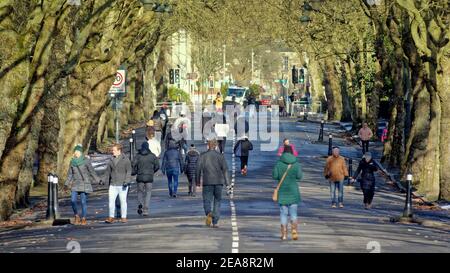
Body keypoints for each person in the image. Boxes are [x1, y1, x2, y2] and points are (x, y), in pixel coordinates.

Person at [196, 139, 231, 228]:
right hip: (219, 182)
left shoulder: (202, 156)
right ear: (215, 146)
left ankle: (209, 212)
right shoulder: (220, 156)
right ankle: (215, 221)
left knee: (207, 200)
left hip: (207, 182)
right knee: (217, 201)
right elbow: (225, 170)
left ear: (208, 145)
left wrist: (197, 183)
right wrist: (228, 183)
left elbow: (198, 169)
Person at [272, 145, 303, 240]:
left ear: (284, 152)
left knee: (283, 213)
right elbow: (299, 176)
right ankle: (294, 229)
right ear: (292, 153)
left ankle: (284, 234)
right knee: (293, 213)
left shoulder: (279, 163)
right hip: (293, 191)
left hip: (282, 192)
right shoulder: (296, 164)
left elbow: (275, 176)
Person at [64, 144, 100, 226]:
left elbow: (92, 172)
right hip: (75, 183)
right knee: (73, 200)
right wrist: (66, 184)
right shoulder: (72, 162)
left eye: (78, 151)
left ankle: (83, 218)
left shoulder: (86, 161)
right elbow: (70, 174)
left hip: (84, 183)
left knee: (83, 202)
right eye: (75, 151)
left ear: (81, 152)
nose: (76, 153)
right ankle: (76, 216)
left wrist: (98, 180)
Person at [104, 143, 132, 224]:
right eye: (112, 150)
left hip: (123, 184)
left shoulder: (125, 159)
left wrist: (127, 181)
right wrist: (103, 180)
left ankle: (123, 217)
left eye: (114, 150)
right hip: (113, 184)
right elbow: (107, 172)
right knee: (111, 201)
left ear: (119, 150)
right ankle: (111, 217)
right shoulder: (111, 160)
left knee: (123, 201)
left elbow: (129, 171)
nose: (112, 152)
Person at [133, 142, 160, 216]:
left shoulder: (138, 156)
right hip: (149, 177)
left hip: (140, 176)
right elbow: (157, 166)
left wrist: (135, 171)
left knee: (140, 192)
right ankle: (145, 209)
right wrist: (152, 171)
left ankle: (140, 204)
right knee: (148, 193)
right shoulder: (152, 156)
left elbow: (133, 165)